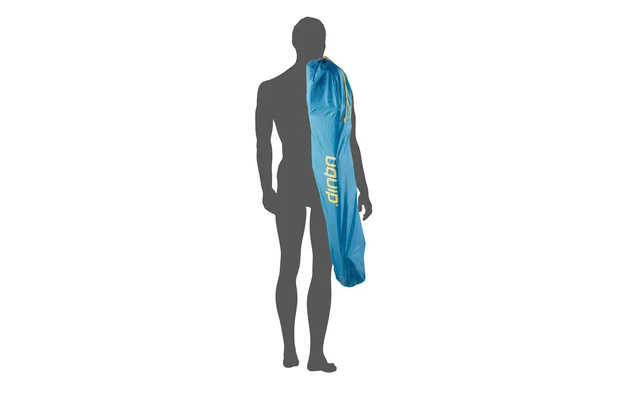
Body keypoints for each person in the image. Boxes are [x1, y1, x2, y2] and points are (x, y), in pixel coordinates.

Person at [255, 17, 372, 373]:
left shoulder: (272, 88)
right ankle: (309, 354)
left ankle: (297, 352)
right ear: (320, 44)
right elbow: (348, 142)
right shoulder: (333, 88)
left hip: (297, 181)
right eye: (319, 40)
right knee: (314, 267)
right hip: (325, 182)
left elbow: (263, 145)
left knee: (293, 265)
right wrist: (362, 188)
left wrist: (266, 188)